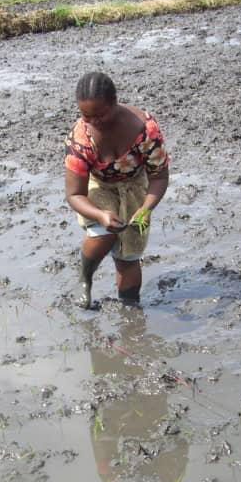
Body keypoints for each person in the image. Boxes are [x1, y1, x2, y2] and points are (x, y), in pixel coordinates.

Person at [64, 72, 170, 310]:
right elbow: (74, 194)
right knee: (104, 231)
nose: (93, 122)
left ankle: (130, 309)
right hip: (98, 185)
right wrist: (100, 214)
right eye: (86, 115)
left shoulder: (146, 130)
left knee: (129, 255)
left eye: (100, 115)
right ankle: (86, 278)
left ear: (114, 103)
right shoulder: (80, 140)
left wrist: (145, 209)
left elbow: (159, 177)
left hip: (134, 186)